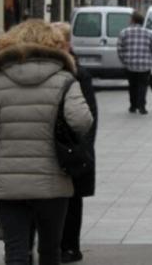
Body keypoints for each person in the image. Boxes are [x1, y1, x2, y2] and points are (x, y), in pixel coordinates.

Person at [0, 19, 93, 265]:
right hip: (53, 182)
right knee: (49, 251)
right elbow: (82, 121)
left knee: (15, 252)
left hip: (8, 184)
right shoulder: (65, 80)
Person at [51, 23, 98, 264]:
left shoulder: (79, 74)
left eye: (57, 43)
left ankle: (70, 246)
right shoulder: (51, 72)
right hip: (52, 147)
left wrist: (82, 150)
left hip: (71, 148)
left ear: (67, 44)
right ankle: (56, 246)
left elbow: (88, 118)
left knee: (71, 199)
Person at [117, 12, 152, 115]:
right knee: (143, 85)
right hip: (145, 66)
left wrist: (124, 60)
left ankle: (133, 106)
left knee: (132, 85)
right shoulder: (149, 34)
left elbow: (119, 49)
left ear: (133, 20)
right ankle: (142, 106)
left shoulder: (124, 33)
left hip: (130, 65)